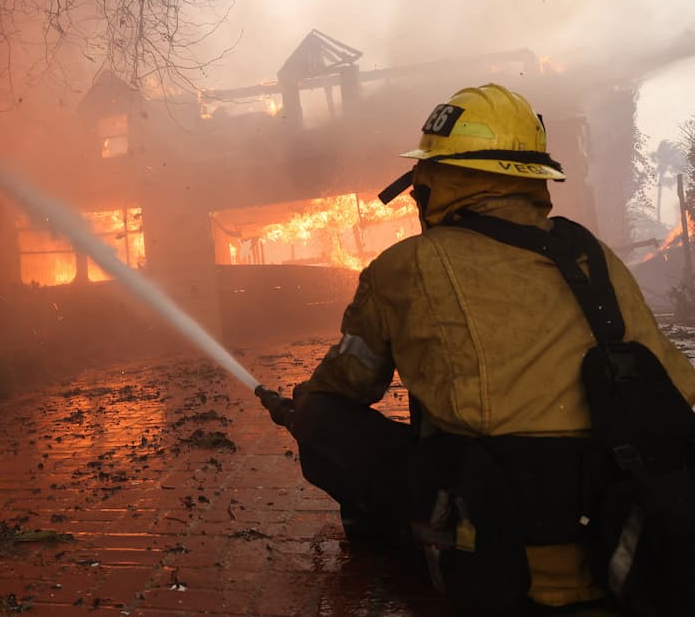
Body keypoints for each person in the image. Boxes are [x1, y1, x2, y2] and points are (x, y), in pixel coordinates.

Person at [257, 83, 695, 616]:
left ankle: (399, 532)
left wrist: (301, 406)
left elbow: (350, 382)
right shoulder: (591, 255)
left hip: (498, 552)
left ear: (435, 178)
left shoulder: (406, 266)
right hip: (625, 539)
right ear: (532, 176)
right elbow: (675, 388)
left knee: (320, 415)